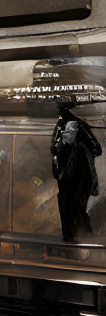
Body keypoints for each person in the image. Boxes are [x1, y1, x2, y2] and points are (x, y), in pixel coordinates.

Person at [51, 102, 102, 244]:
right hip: (65, 178)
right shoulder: (61, 125)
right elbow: (53, 147)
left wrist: (78, 147)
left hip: (81, 178)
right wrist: (62, 145)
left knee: (78, 209)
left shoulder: (80, 127)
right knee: (67, 209)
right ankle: (71, 241)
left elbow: (97, 149)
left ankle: (85, 241)